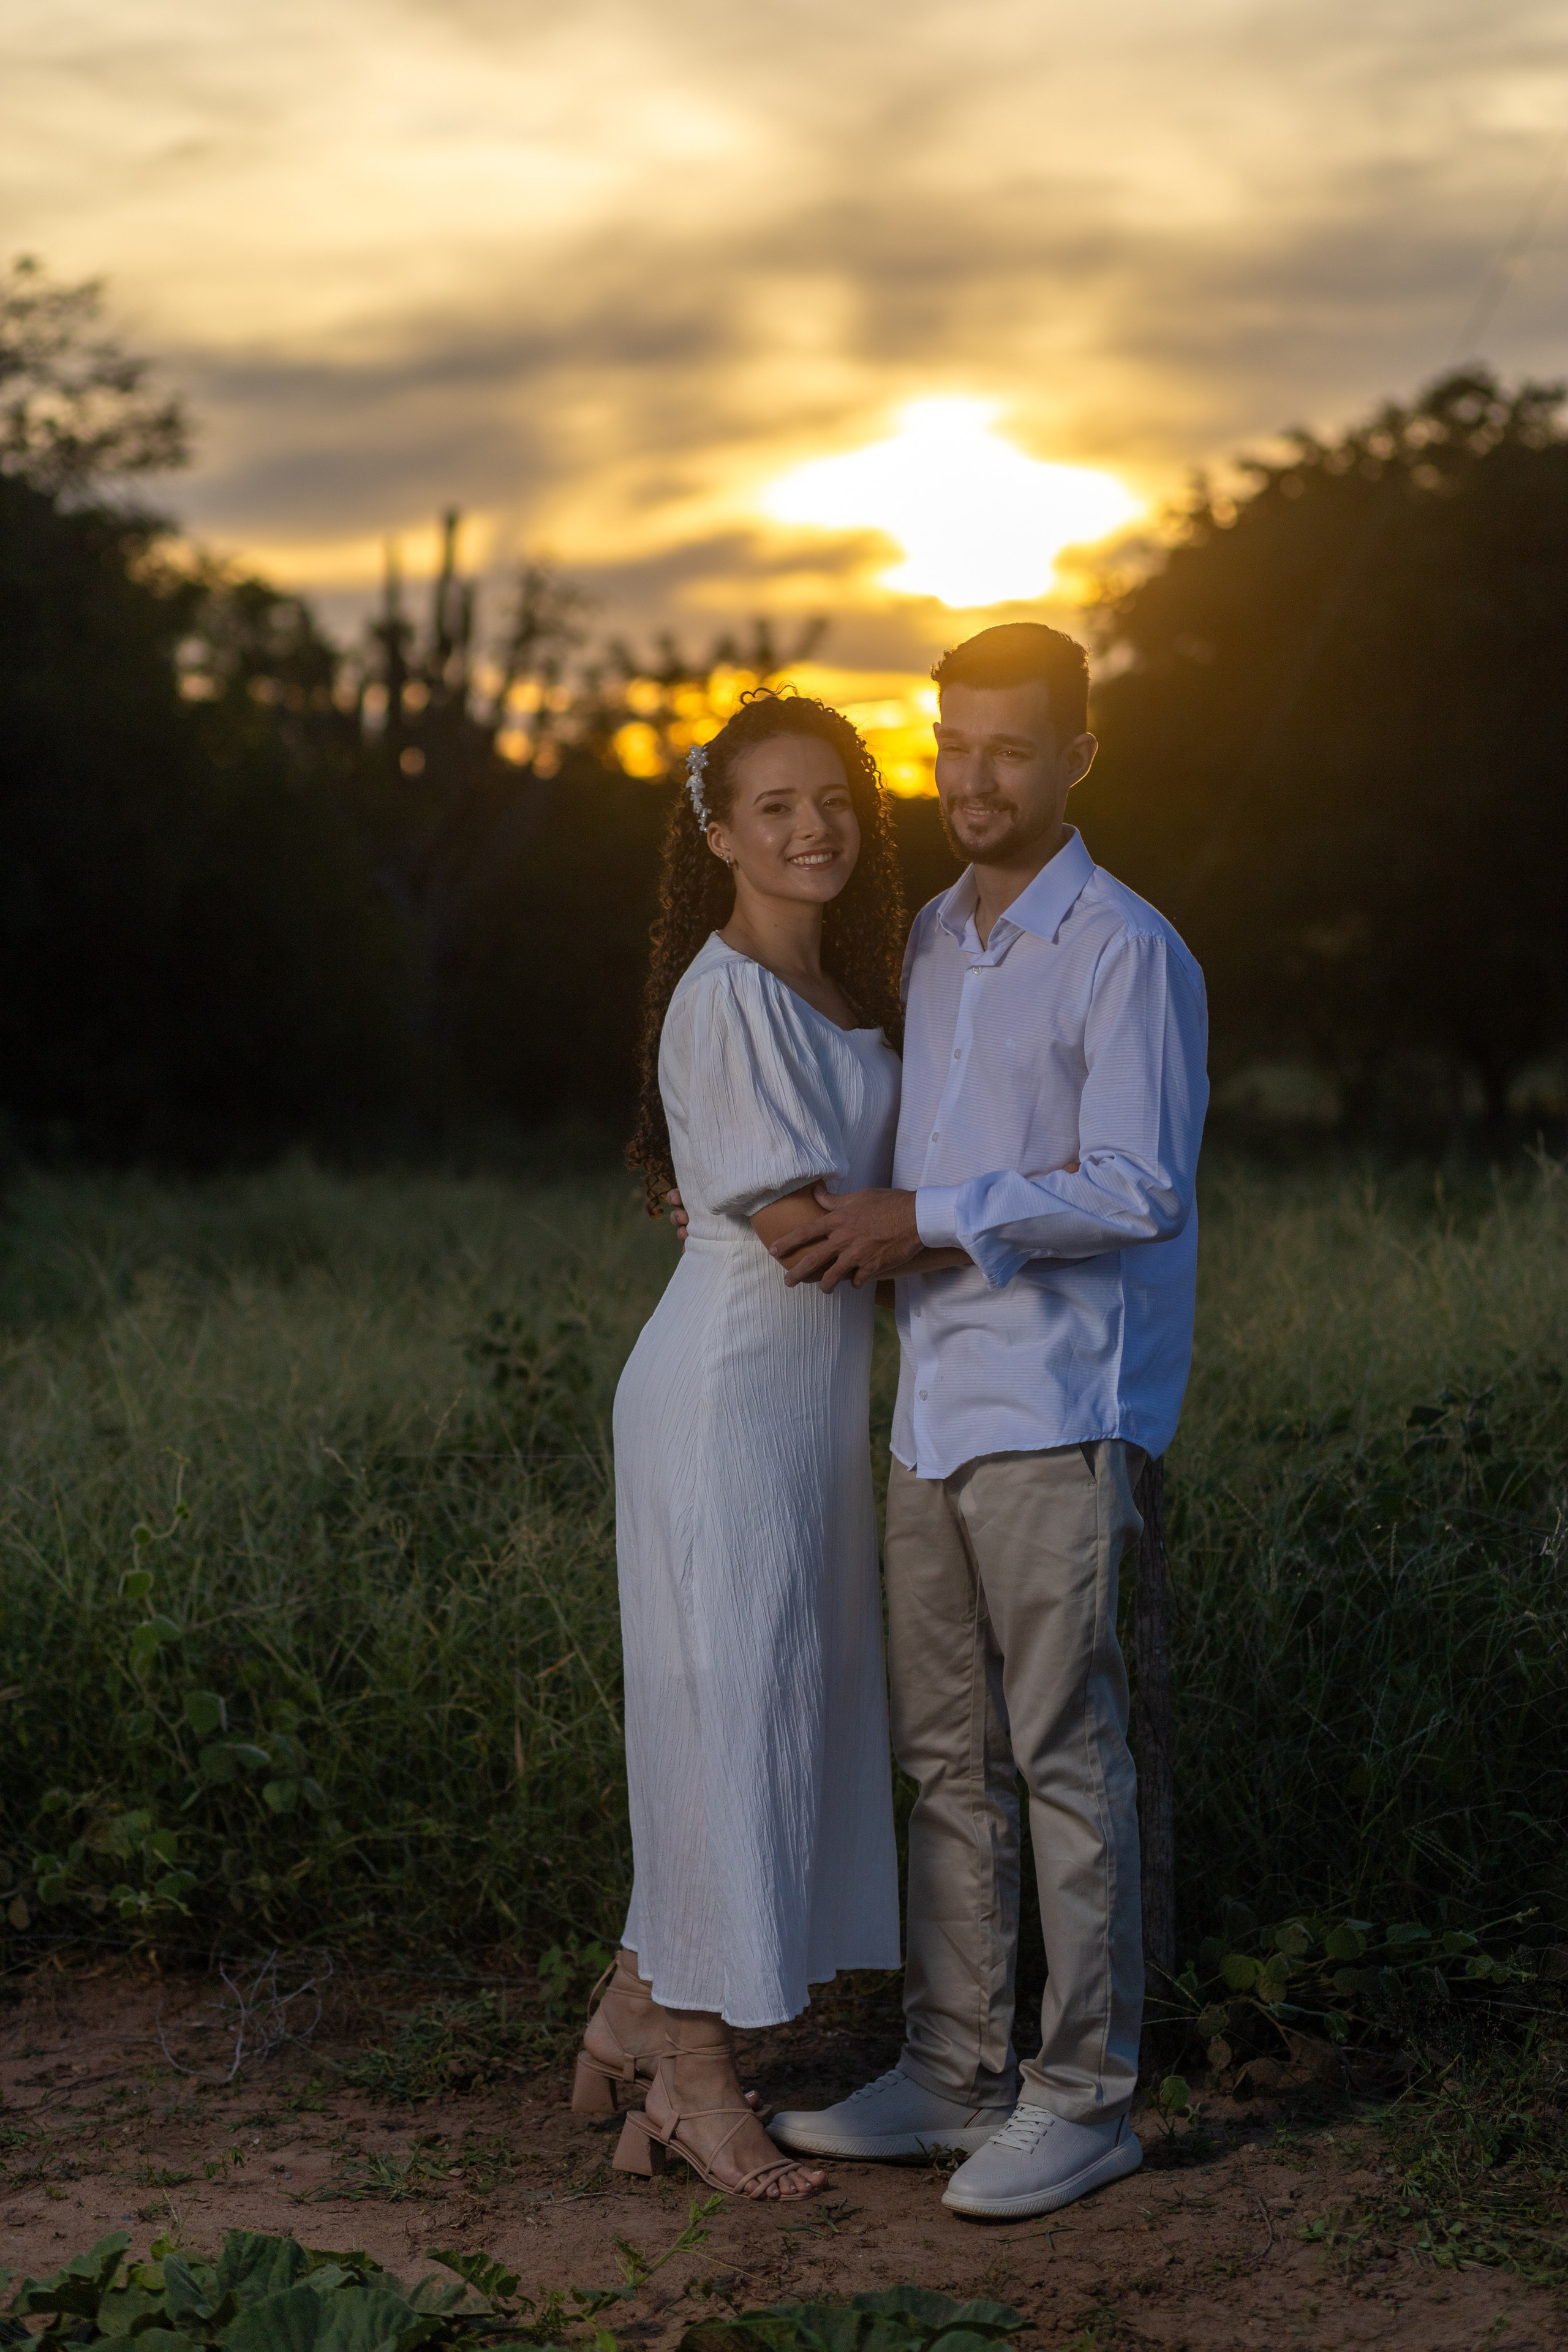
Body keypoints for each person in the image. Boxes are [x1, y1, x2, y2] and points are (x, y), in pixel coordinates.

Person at [764, 622, 1209, 2222]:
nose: (973, 778)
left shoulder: (1126, 947)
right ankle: (952, 2077)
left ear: (1079, 757)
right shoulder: (934, 938)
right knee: (945, 1760)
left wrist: (924, 1218)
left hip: (1060, 1405)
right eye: (953, 747)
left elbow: (1140, 1185)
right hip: (932, 1409)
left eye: (1010, 750)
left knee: (1064, 1754)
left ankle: (1084, 2100)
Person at [578, 688, 925, 2201]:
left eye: (834, 796)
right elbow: (798, 1236)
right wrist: (998, 1228)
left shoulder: (852, 990)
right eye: (774, 807)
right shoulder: (722, 996)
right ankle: (693, 2085)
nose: (811, 827)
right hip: (725, 1396)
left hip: (799, 1413)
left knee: (770, 1701)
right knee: (723, 1720)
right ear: (718, 834)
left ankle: (637, 2000)